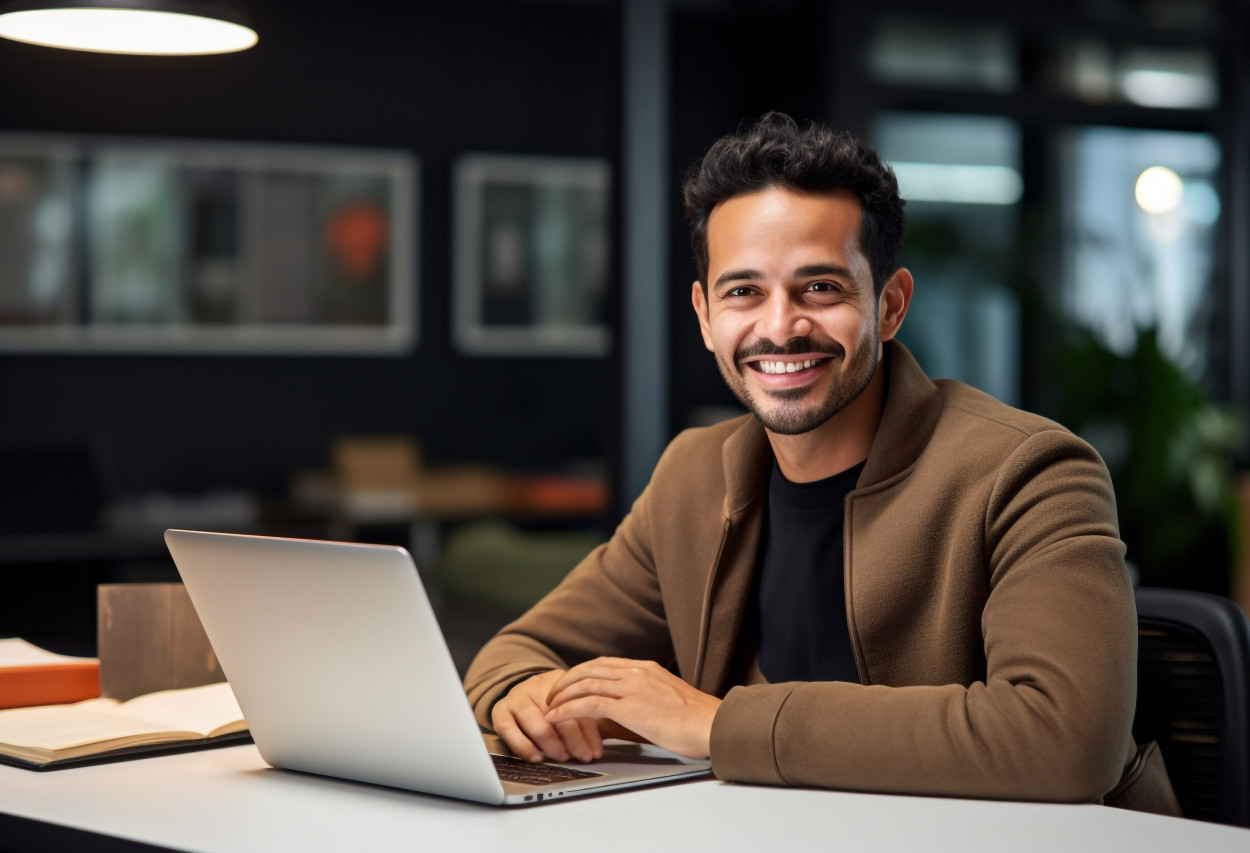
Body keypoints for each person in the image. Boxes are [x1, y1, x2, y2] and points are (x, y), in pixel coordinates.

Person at [463, 112, 1178, 811]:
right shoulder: (694, 474)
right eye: (743, 291)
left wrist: (715, 724)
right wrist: (519, 694)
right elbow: (520, 648)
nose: (779, 327)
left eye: (821, 287)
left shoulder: (1032, 472)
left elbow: (1064, 738)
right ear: (706, 315)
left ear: (890, 304)